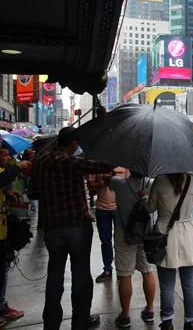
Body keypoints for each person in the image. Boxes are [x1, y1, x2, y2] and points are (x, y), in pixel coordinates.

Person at [29, 127, 115, 330]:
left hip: (52, 228)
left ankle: (51, 323)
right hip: (77, 225)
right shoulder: (71, 162)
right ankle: (80, 320)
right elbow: (104, 165)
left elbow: (33, 193)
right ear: (74, 143)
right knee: (81, 274)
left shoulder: (41, 162)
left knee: (55, 275)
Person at [142, 173, 193, 330]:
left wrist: (144, 198)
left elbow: (150, 207)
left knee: (167, 285)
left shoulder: (160, 180)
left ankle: (167, 322)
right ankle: (190, 321)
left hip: (165, 234)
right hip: (188, 233)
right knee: (189, 284)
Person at [109, 170, 156, 328]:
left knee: (125, 274)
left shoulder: (119, 183)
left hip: (125, 234)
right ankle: (150, 310)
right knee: (147, 271)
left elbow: (107, 179)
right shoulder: (151, 183)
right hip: (145, 233)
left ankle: (126, 315)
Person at [0, 148, 31, 328]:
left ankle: (2, 305)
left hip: (3, 230)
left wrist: (7, 194)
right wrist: (17, 166)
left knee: (3, 268)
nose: (8, 157)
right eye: (4, 154)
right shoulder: (5, 173)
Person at [88, 172, 117, 283]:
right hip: (102, 209)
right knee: (105, 241)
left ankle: (121, 269)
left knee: (120, 240)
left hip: (119, 207)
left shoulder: (123, 164)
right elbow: (90, 185)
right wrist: (103, 184)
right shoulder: (97, 165)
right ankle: (108, 269)